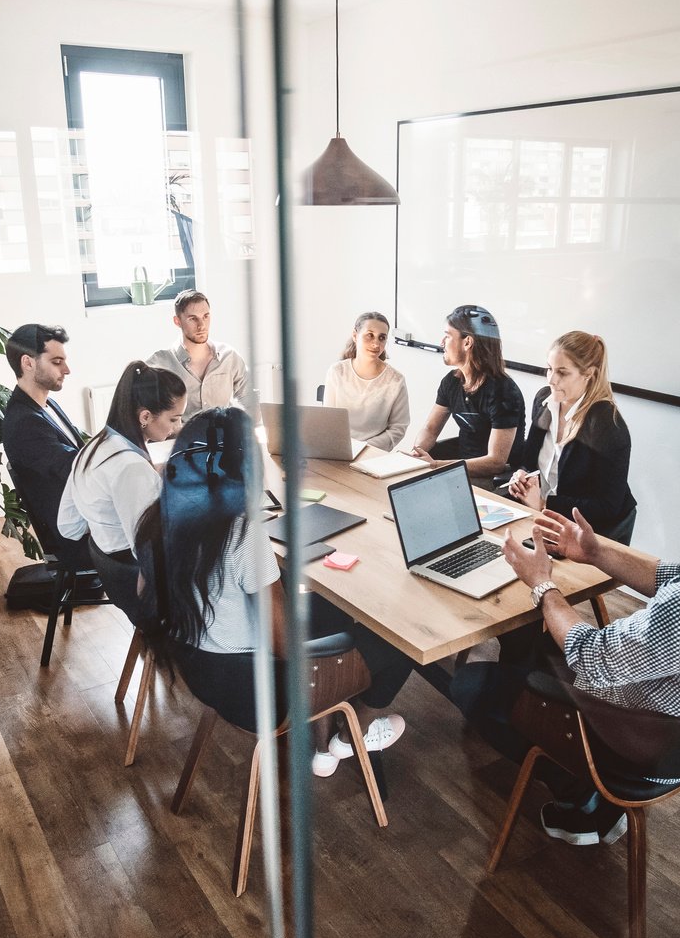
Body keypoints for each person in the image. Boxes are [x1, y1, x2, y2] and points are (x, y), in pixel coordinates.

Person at [455, 397, 680, 847]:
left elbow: (591, 656)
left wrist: (542, 583)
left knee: (472, 683)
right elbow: (678, 580)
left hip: (641, 745)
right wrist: (595, 552)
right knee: (529, 648)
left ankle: (586, 796)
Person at [135, 407, 415, 777]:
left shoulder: (158, 519)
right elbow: (285, 647)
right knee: (400, 641)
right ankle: (352, 736)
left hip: (204, 675)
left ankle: (324, 745)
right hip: (261, 696)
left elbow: (147, 595)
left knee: (323, 606)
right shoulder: (240, 534)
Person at [57, 361, 186, 626]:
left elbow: (68, 526)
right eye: (174, 418)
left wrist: (106, 523)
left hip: (115, 577)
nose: (178, 427)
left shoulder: (95, 445)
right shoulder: (132, 469)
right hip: (143, 594)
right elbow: (149, 551)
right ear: (145, 416)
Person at [507, 331, 637, 545]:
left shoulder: (607, 425)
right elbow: (528, 460)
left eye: (562, 373)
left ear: (588, 374)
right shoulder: (544, 400)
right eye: (549, 369)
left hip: (591, 532)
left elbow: (606, 506)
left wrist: (544, 503)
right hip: (542, 519)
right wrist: (521, 476)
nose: (551, 379)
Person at [0, 323, 89, 567]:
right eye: (57, 362)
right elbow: (73, 467)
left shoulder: (45, 407)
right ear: (28, 363)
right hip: (75, 536)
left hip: (83, 514)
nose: (67, 370)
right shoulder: (24, 422)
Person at [407, 304, 525, 482]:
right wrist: (417, 453)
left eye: (447, 336)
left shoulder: (503, 391)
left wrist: (436, 465)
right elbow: (430, 429)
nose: (442, 342)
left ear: (467, 342)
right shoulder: (452, 381)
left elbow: (496, 462)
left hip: (494, 477)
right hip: (461, 468)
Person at [147, 290, 249, 419]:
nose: (201, 326)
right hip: (181, 438)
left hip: (224, 436)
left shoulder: (229, 357)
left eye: (206, 316)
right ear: (177, 321)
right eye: (193, 319)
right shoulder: (160, 364)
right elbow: (143, 412)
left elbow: (249, 399)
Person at [321, 310, 410, 451]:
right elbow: (328, 421)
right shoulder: (337, 371)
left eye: (382, 338)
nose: (376, 344)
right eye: (370, 335)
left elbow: (398, 428)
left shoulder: (395, 381)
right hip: (338, 450)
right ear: (355, 336)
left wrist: (365, 448)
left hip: (373, 453)